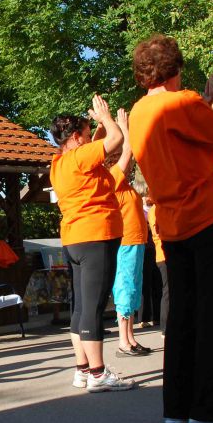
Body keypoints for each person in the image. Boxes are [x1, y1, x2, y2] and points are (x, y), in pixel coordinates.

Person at [127, 34, 213, 423]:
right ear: (176, 67)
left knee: (181, 316)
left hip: (170, 222)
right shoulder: (182, 102)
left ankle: (176, 409)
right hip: (205, 215)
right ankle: (210, 412)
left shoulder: (137, 111)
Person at [49, 95, 134, 392]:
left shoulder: (60, 162)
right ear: (76, 137)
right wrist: (107, 119)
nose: (90, 138)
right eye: (86, 134)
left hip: (75, 238)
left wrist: (101, 128)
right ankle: (98, 374)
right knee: (94, 307)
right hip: (95, 235)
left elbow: (113, 161)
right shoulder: (79, 157)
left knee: (81, 307)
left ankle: (83, 369)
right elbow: (114, 139)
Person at [95, 111, 151, 357]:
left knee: (134, 289)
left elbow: (129, 155)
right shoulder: (111, 179)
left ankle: (130, 337)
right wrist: (123, 127)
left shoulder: (125, 184)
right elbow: (127, 153)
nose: (124, 164)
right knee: (125, 289)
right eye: (115, 158)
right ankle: (123, 342)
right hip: (126, 242)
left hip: (136, 241)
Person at [145, 197, 169, 337]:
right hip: (163, 254)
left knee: (168, 290)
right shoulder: (155, 210)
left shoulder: (157, 209)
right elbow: (158, 231)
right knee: (168, 291)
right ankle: (165, 328)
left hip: (164, 253)